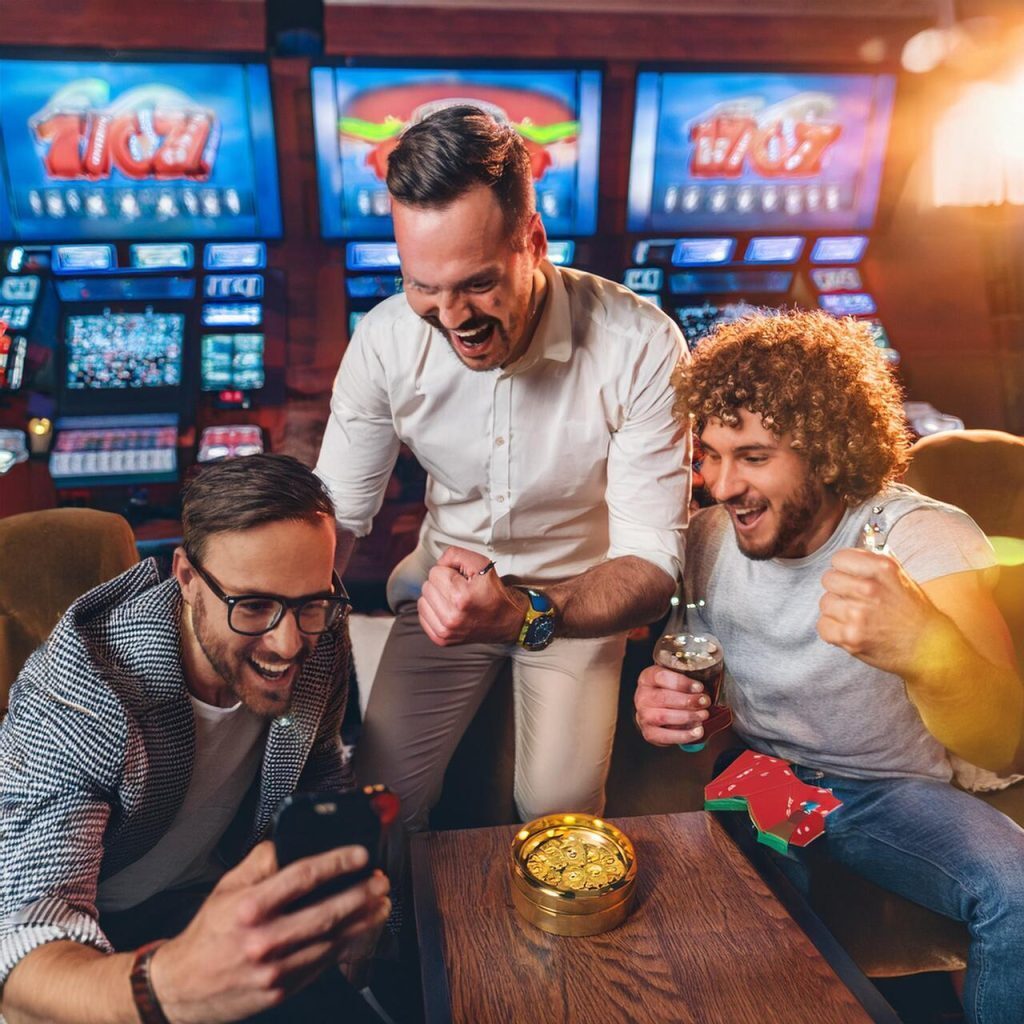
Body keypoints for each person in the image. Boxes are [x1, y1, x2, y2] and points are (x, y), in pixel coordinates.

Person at [634, 310, 1024, 1024]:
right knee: (740, 930)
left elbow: (1003, 738)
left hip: (889, 792)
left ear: (826, 448)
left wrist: (925, 644)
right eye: (710, 454)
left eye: (752, 456)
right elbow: (699, 704)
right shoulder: (704, 538)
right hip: (758, 771)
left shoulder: (917, 535)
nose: (721, 485)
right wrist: (669, 713)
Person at [316, 105, 689, 833]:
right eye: (424, 286)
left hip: (580, 600)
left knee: (556, 815)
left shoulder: (640, 344)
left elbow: (650, 566)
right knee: (380, 805)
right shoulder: (386, 341)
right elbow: (338, 522)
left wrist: (524, 613)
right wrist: (286, 631)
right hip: (441, 599)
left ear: (535, 243)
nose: (453, 317)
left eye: (478, 284)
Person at [0, 454, 391, 1024]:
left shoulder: (321, 635)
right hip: (108, 941)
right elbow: (24, 948)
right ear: (186, 578)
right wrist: (168, 988)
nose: (287, 644)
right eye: (253, 605)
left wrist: (348, 890)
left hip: (223, 898)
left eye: (310, 603)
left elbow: (316, 769)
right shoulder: (82, 691)